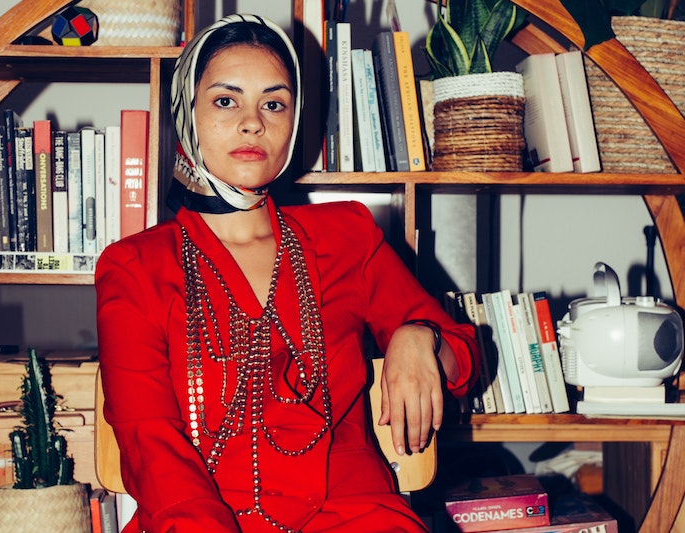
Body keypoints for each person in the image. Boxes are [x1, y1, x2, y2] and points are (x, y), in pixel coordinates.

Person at [95, 13, 479, 533]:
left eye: (273, 103)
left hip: (355, 515)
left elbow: (466, 358)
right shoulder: (134, 267)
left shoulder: (347, 234)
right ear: (186, 112)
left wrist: (421, 337)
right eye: (226, 100)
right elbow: (148, 441)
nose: (253, 122)